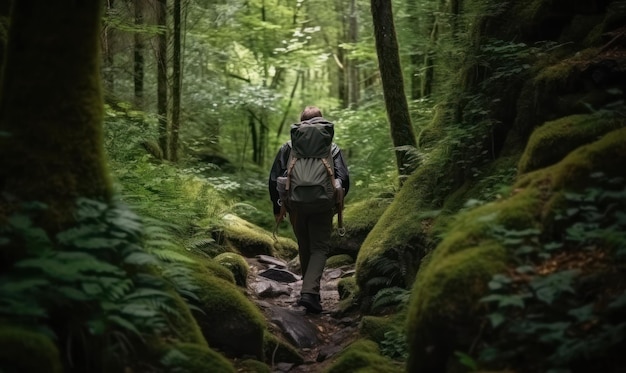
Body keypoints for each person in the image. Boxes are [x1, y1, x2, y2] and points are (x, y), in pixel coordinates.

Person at [268, 106, 350, 313]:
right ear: (321, 121)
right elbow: (344, 178)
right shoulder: (331, 147)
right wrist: (336, 201)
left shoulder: (289, 146)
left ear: (302, 122)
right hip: (324, 205)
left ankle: (309, 291)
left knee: (304, 246)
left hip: (295, 204)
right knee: (320, 248)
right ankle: (310, 293)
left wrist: (277, 207)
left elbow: (273, 178)